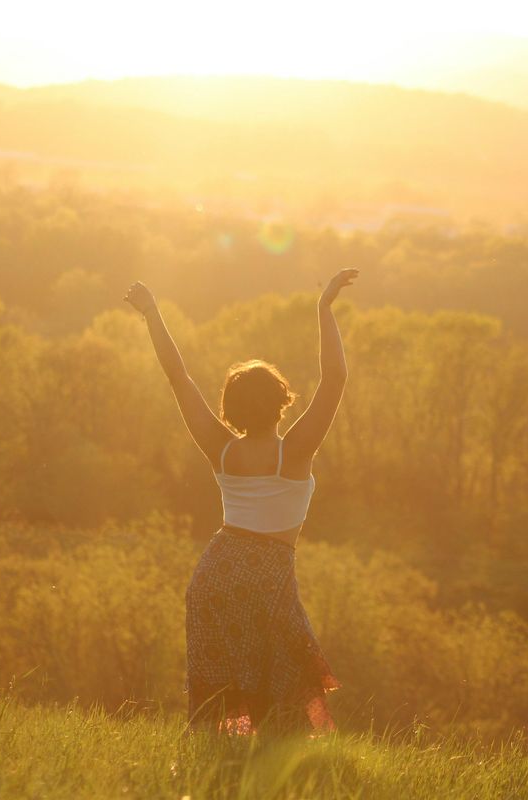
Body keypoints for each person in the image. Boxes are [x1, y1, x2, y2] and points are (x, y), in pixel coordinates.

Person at [122, 268, 358, 735]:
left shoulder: (221, 448)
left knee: (218, 690)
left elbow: (178, 377)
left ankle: (210, 765)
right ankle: (270, 776)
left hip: (214, 574)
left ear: (230, 408)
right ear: (282, 402)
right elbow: (335, 378)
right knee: (283, 693)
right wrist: (323, 309)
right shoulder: (295, 451)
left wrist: (152, 312)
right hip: (267, 576)